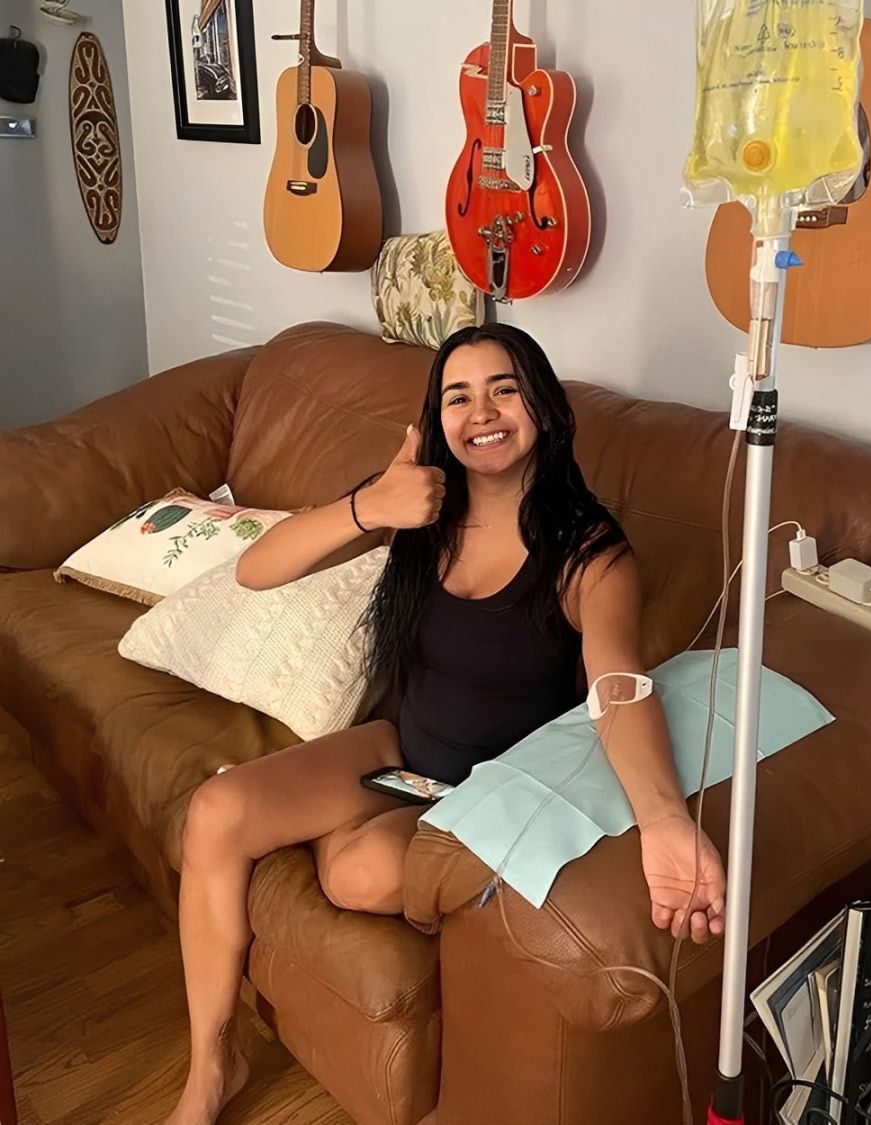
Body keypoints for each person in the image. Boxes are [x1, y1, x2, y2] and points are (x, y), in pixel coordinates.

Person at [164, 324, 727, 1125]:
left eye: (504, 388)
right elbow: (255, 569)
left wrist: (665, 820)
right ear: (435, 420)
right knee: (214, 812)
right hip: (398, 750)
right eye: (457, 396)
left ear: (547, 408)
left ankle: (329, 824)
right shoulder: (417, 501)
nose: (482, 411)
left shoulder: (589, 552)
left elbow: (621, 689)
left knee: (356, 873)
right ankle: (211, 1064)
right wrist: (370, 507)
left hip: (479, 801)